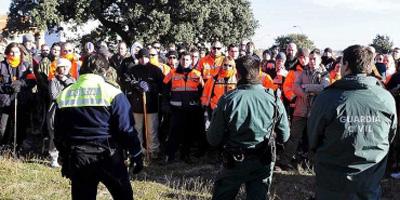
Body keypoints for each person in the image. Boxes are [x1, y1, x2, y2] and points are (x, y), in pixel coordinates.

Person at [308, 45, 397, 200]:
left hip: (333, 183)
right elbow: (390, 136)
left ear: (346, 65)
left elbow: (313, 137)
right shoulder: (386, 98)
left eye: (341, 63)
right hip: (369, 179)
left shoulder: (327, 98)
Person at [54, 54, 143, 200]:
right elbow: (126, 129)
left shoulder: (65, 94)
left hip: (78, 156)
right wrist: (136, 154)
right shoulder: (113, 93)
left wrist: (65, 158)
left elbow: (59, 133)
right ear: (104, 71)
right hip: (109, 155)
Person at [207, 55, 290, 199]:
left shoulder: (228, 100)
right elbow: (285, 136)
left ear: (237, 74)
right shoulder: (274, 99)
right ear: (259, 72)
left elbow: (213, 139)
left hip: (234, 161)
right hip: (262, 160)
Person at [163, 52, 205, 163]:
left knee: (188, 133)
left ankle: (185, 155)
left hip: (191, 109)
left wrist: (200, 105)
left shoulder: (197, 74)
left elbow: (202, 92)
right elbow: (165, 90)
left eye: (187, 59)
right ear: (179, 60)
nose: (185, 62)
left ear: (191, 61)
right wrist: (166, 105)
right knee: (174, 133)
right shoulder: (172, 73)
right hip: (176, 109)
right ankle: (169, 155)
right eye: (183, 59)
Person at [123, 49, 164, 158]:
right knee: (137, 129)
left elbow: (161, 86)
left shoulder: (155, 70)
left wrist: (150, 87)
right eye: (141, 57)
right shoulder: (133, 70)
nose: (143, 59)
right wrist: (136, 85)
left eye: (145, 57)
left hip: (151, 105)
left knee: (152, 129)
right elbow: (126, 81)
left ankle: (153, 150)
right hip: (136, 106)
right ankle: (139, 151)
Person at [47, 58, 75, 168]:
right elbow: (54, 96)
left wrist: (66, 82)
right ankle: (54, 157)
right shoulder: (53, 80)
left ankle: (67, 157)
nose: (63, 69)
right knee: (54, 134)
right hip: (55, 110)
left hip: (68, 110)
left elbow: (74, 93)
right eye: (61, 67)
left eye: (65, 67)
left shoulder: (72, 80)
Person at [0, 43, 28, 145]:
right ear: (7, 52)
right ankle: (3, 147)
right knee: (2, 127)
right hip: (5, 101)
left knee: (20, 126)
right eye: (11, 51)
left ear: (20, 53)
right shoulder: (1, 65)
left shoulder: (26, 65)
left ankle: (17, 146)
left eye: (16, 52)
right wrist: (6, 87)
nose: (14, 54)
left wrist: (21, 83)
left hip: (20, 100)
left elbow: (31, 81)